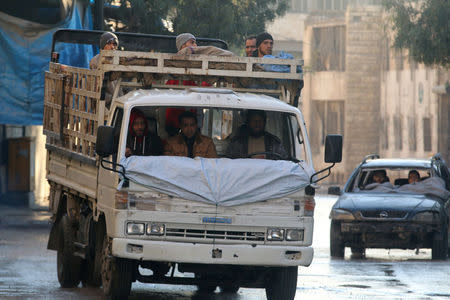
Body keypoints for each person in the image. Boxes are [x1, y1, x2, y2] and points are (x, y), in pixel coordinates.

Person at [89, 32, 123, 107]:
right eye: (109, 44)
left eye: (114, 44)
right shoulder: (96, 60)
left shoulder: (119, 59)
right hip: (104, 103)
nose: (112, 47)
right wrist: (112, 99)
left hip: (118, 104)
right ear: (103, 45)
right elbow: (96, 87)